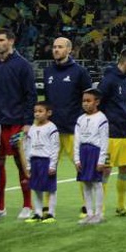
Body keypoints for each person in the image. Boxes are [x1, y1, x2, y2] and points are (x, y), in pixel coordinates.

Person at [0, 29, 37, 219]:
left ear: (11, 41)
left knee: (21, 164)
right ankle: (0, 207)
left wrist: (27, 122)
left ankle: (27, 205)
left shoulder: (23, 65)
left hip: (17, 123)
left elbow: (31, 95)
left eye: (1, 40)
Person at [43, 36, 92, 216]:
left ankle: (87, 205)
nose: (56, 50)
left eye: (60, 47)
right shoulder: (48, 72)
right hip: (52, 130)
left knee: (81, 167)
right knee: (49, 167)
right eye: (54, 47)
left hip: (73, 128)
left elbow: (89, 99)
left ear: (69, 50)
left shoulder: (80, 72)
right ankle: (47, 206)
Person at [98, 48, 126, 216]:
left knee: (124, 169)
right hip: (110, 134)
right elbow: (99, 104)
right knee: (105, 170)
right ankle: (99, 208)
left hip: (125, 132)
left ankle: (122, 206)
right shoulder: (108, 80)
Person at [74, 88, 109, 225]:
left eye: (89, 101)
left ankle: (99, 214)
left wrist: (101, 160)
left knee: (96, 183)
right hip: (83, 152)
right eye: (84, 101)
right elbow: (77, 140)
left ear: (97, 102)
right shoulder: (80, 119)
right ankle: (89, 214)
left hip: (95, 152)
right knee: (86, 183)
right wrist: (77, 159)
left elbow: (104, 141)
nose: (85, 103)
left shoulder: (101, 118)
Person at [23, 103, 59, 224]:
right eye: (35, 111)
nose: (37, 114)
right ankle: (37, 213)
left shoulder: (51, 128)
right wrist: (28, 165)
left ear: (48, 113)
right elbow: (28, 147)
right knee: (36, 188)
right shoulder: (32, 128)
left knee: (50, 189)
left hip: (46, 161)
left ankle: (51, 213)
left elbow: (55, 147)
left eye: (40, 111)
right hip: (35, 161)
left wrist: (52, 165)